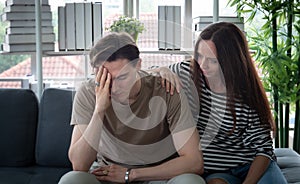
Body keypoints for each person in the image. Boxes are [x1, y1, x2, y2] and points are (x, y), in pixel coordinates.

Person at [58, 32, 205, 184]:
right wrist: (100, 110)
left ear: (138, 65)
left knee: (191, 181)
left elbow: (194, 161)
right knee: (71, 180)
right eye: (105, 77)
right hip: (108, 175)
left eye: (122, 77)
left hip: (159, 175)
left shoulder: (166, 90)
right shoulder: (88, 92)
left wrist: (131, 174)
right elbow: (79, 165)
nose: (113, 88)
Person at [155, 22, 288, 184]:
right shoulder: (188, 73)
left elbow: (263, 149)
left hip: (252, 164)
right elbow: (144, 75)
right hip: (216, 172)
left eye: (212, 60)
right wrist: (162, 71)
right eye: (199, 56)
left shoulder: (246, 92)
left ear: (230, 61)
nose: (203, 65)